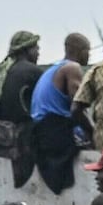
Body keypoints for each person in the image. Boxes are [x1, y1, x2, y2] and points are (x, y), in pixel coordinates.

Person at [25, 32, 87, 193]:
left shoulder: (52, 69)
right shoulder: (72, 68)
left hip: (39, 133)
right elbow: (78, 109)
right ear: (80, 50)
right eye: (88, 51)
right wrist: (94, 133)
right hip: (53, 130)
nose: (88, 55)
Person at [0, 30, 44, 186]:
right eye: (36, 48)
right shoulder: (33, 72)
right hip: (22, 139)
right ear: (26, 50)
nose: (38, 52)